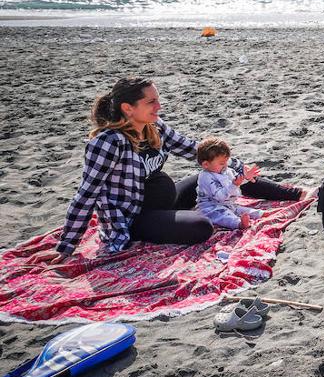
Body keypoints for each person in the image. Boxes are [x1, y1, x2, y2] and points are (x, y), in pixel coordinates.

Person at [49, 77, 302, 260]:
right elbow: (86, 195)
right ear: (128, 108)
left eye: (157, 100)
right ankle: (160, 225)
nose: (158, 107)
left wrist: (238, 167)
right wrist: (66, 246)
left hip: (166, 204)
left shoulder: (154, 127)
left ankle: (294, 194)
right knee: (201, 227)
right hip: (134, 218)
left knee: (218, 172)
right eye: (151, 102)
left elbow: (197, 151)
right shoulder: (107, 143)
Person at [195, 137, 263, 230]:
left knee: (242, 210)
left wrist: (246, 177)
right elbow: (220, 196)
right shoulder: (205, 177)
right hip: (211, 207)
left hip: (228, 203)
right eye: (222, 163)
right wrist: (234, 185)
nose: (226, 165)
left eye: (226, 162)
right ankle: (240, 224)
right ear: (206, 164)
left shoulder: (225, 170)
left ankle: (260, 214)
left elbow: (236, 180)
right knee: (224, 216)